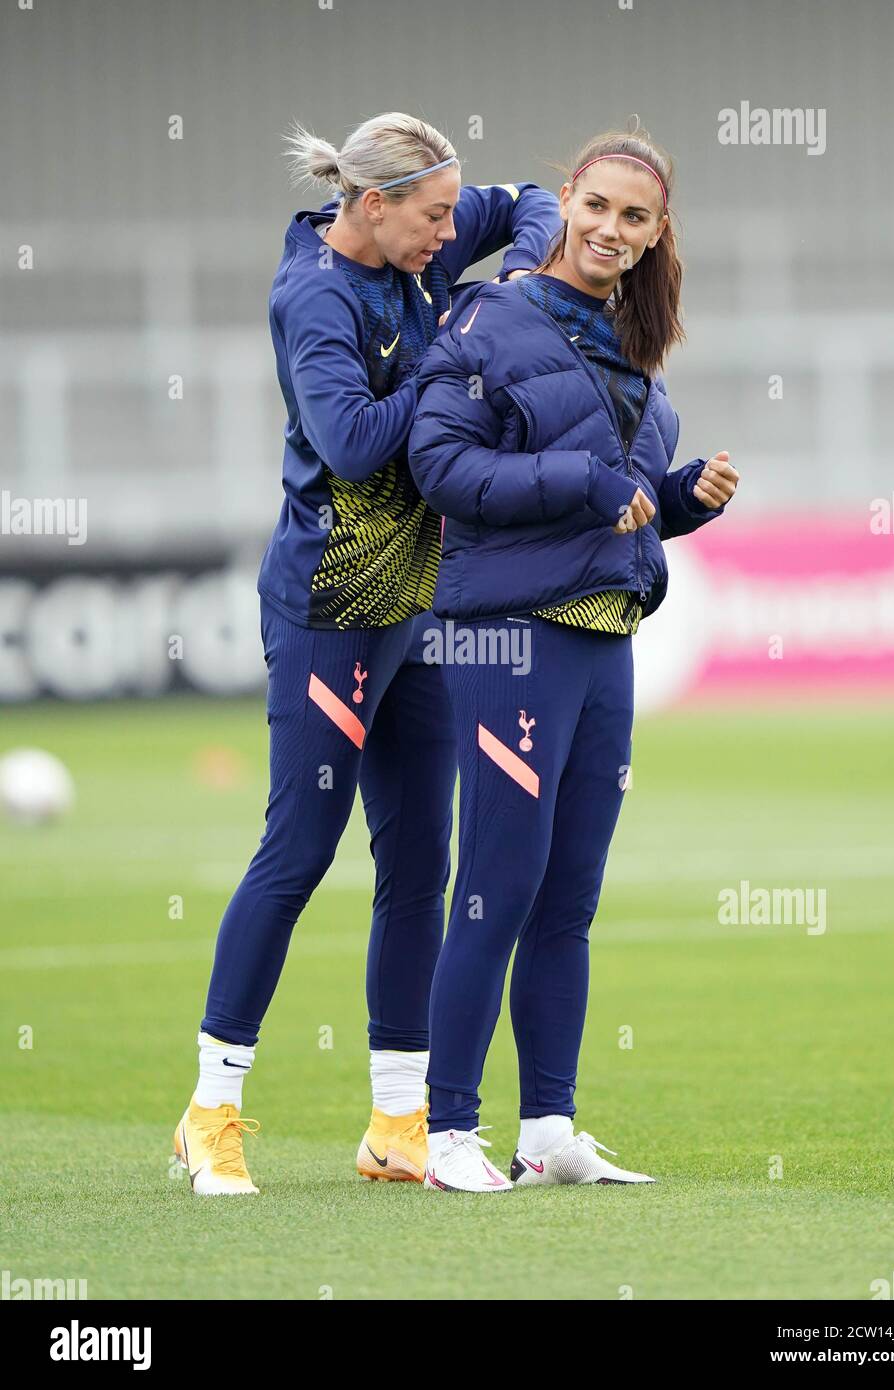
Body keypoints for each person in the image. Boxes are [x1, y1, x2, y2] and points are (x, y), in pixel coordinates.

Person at [173, 111, 562, 1194]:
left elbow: (531, 197)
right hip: (332, 608)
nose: (452, 233)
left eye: (452, 214)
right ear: (372, 204)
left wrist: (519, 270)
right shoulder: (313, 296)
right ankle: (212, 1107)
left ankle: (397, 1118)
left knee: (418, 866)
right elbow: (348, 441)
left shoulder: (427, 228)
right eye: (435, 217)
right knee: (298, 852)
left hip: (421, 609)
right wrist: (459, 358)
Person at [408, 121, 739, 1193]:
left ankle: (546, 1129)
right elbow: (443, 470)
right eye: (594, 205)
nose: (608, 227)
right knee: (494, 886)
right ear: (567, 200)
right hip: (508, 640)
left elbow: (620, 517)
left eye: (633, 217)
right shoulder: (487, 316)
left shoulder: (639, 356)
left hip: (603, 648)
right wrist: (585, 482)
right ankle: (447, 1130)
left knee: (568, 898)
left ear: (653, 236)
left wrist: (679, 499)